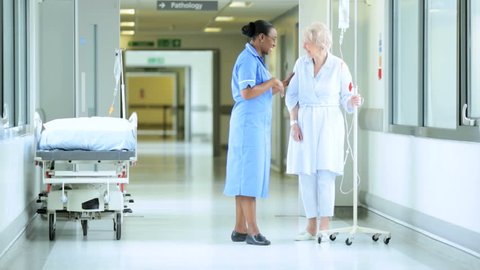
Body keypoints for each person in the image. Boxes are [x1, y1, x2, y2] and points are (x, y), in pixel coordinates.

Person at [285, 22, 362, 241]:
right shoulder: (301, 64)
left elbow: (347, 98)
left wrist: (353, 100)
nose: (304, 47)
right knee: (306, 174)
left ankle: (325, 225)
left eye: (307, 43)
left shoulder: (339, 66)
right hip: (305, 120)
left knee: (326, 173)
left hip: (329, 122)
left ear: (320, 45)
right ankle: (310, 226)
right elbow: (292, 96)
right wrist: (294, 124)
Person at [224, 20, 293, 246]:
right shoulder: (246, 60)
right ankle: (253, 231)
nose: (274, 44)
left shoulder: (257, 60)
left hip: (254, 125)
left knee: (246, 177)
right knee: (248, 178)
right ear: (261, 37)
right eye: (273, 39)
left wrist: (282, 83)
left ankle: (239, 228)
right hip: (247, 126)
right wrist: (272, 81)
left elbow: (261, 91)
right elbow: (246, 92)